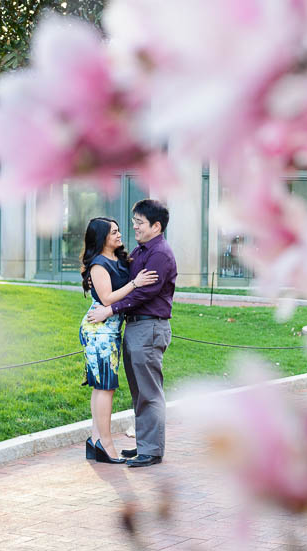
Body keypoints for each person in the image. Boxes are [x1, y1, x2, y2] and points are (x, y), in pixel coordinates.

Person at [88, 199, 177, 468]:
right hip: (137, 328)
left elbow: (143, 292)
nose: (134, 227)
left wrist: (110, 310)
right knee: (140, 392)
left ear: (156, 226)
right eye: (134, 221)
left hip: (149, 328)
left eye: (139, 222)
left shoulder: (159, 254)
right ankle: (145, 445)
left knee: (149, 393)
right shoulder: (142, 251)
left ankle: (151, 451)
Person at [79, 217, 158, 464]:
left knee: (103, 386)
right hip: (99, 331)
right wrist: (135, 283)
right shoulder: (99, 265)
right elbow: (107, 298)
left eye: (118, 230)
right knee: (105, 387)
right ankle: (105, 442)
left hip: (110, 329)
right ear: (101, 236)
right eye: (113, 232)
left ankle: (95, 441)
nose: (119, 234)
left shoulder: (119, 259)